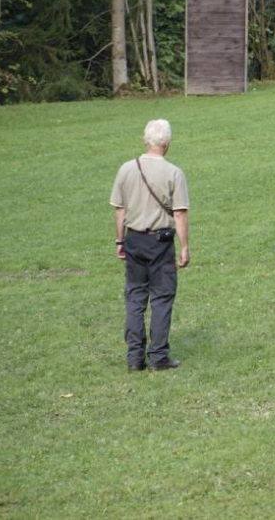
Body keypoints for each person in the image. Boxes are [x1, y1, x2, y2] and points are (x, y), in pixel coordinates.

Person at [110, 119, 190, 372]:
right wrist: (185, 246)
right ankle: (158, 356)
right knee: (162, 297)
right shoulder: (174, 173)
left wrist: (120, 240)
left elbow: (120, 210)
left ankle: (135, 358)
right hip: (160, 242)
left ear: (145, 140)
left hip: (133, 239)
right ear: (167, 143)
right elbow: (179, 214)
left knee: (135, 298)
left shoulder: (126, 169)